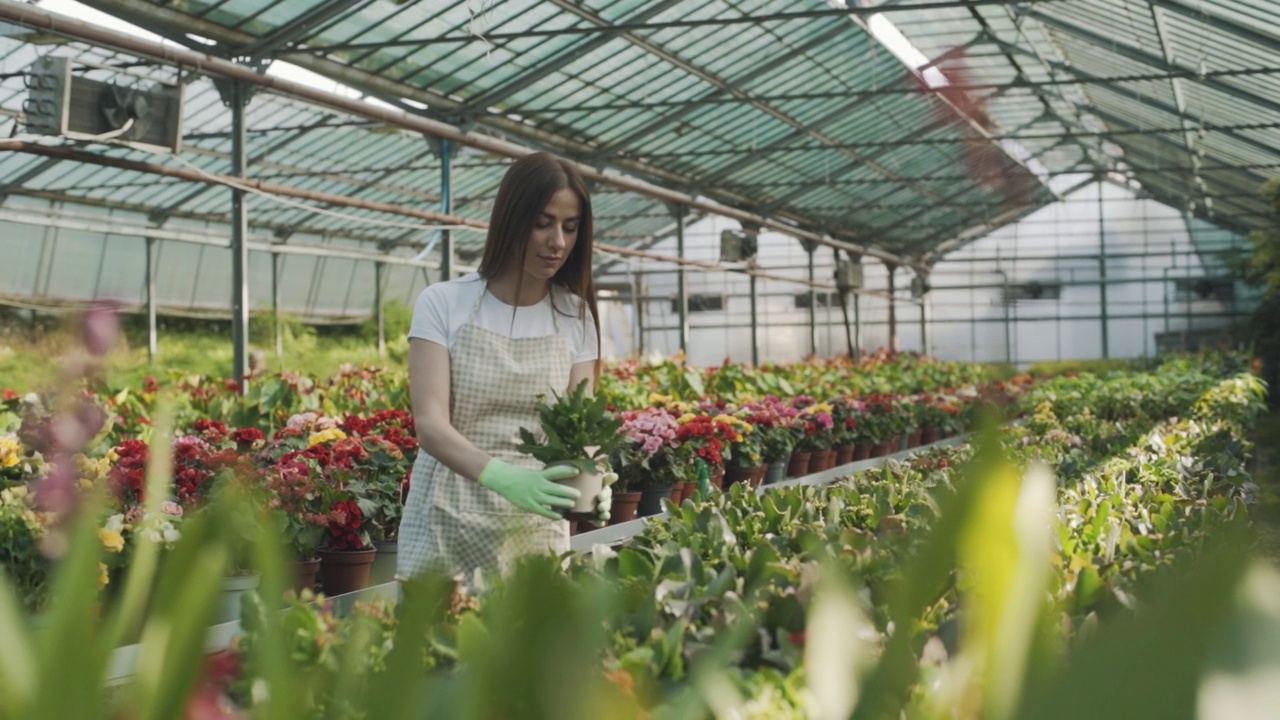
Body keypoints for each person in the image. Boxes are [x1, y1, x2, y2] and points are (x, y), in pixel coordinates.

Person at [397, 153, 613, 584]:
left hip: (533, 521)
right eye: (543, 223)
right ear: (511, 219)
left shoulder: (575, 317)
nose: (558, 241)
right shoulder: (444, 303)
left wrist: (596, 477)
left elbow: (581, 427)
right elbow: (431, 425)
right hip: (445, 516)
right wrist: (500, 475)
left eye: (570, 228)